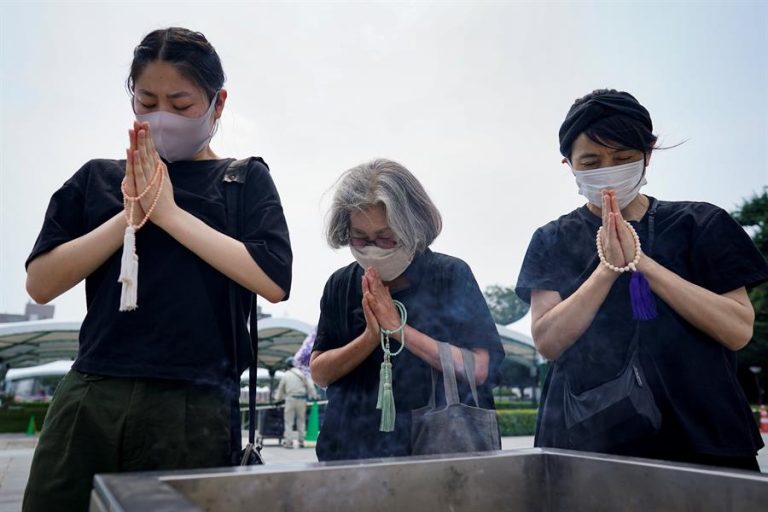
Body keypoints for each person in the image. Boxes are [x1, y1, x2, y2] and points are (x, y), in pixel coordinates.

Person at [22, 27, 292, 511]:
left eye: (181, 103)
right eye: (146, 101)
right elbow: (41, 284)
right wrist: (130, 213)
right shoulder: (97, 179)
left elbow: (272, 281)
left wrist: (167, 213)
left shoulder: (242, 179)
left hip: (194, 399)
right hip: (92, 390)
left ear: (218, 103)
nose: (161, 115)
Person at [516, 89, 768, 471]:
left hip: (705, 441)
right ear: (569, 164)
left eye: (623, 158)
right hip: (587, 445)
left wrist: (643, 263)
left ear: (647, 156)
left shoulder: (701, 225)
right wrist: (607, 270)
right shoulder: (552, 239)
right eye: (591, 161)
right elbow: (548, 341)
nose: (609, 170)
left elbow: (737, 329)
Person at [310, 159, 504, 461]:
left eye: (386, 237)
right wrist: (369, 338)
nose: (373, 247)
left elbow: (479, 367)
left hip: (432, 452)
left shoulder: (449, 275)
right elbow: (320, 371)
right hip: (348, 452)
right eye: (360, 237)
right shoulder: (340, 284)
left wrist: (398, 328)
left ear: (413, 227)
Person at [274, 358, 318, 448]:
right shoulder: (302, 374)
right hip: (302, 400)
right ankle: (301, 441)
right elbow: (310, 386)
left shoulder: (286, 375)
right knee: (301, 421)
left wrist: (277, 399)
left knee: (289, 422)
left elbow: (281, 389)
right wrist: (314, 396)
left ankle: (289, 442)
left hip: (290, 399)